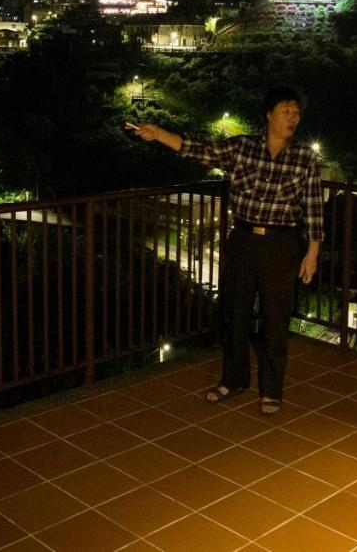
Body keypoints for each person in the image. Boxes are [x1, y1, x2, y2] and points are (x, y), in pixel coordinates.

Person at [127, 86, 322, 415]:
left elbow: (314, 209)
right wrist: (158, 133)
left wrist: (312, 252)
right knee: (235, 313)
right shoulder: (242, 147)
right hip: (243, 239)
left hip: (281, 243)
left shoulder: (304, 158)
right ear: (269, 114)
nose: (293, 118)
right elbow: (196, 149)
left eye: (297, 113)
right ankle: (234, 379)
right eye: (287, 111)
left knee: (276, 319)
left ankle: (271, 390)